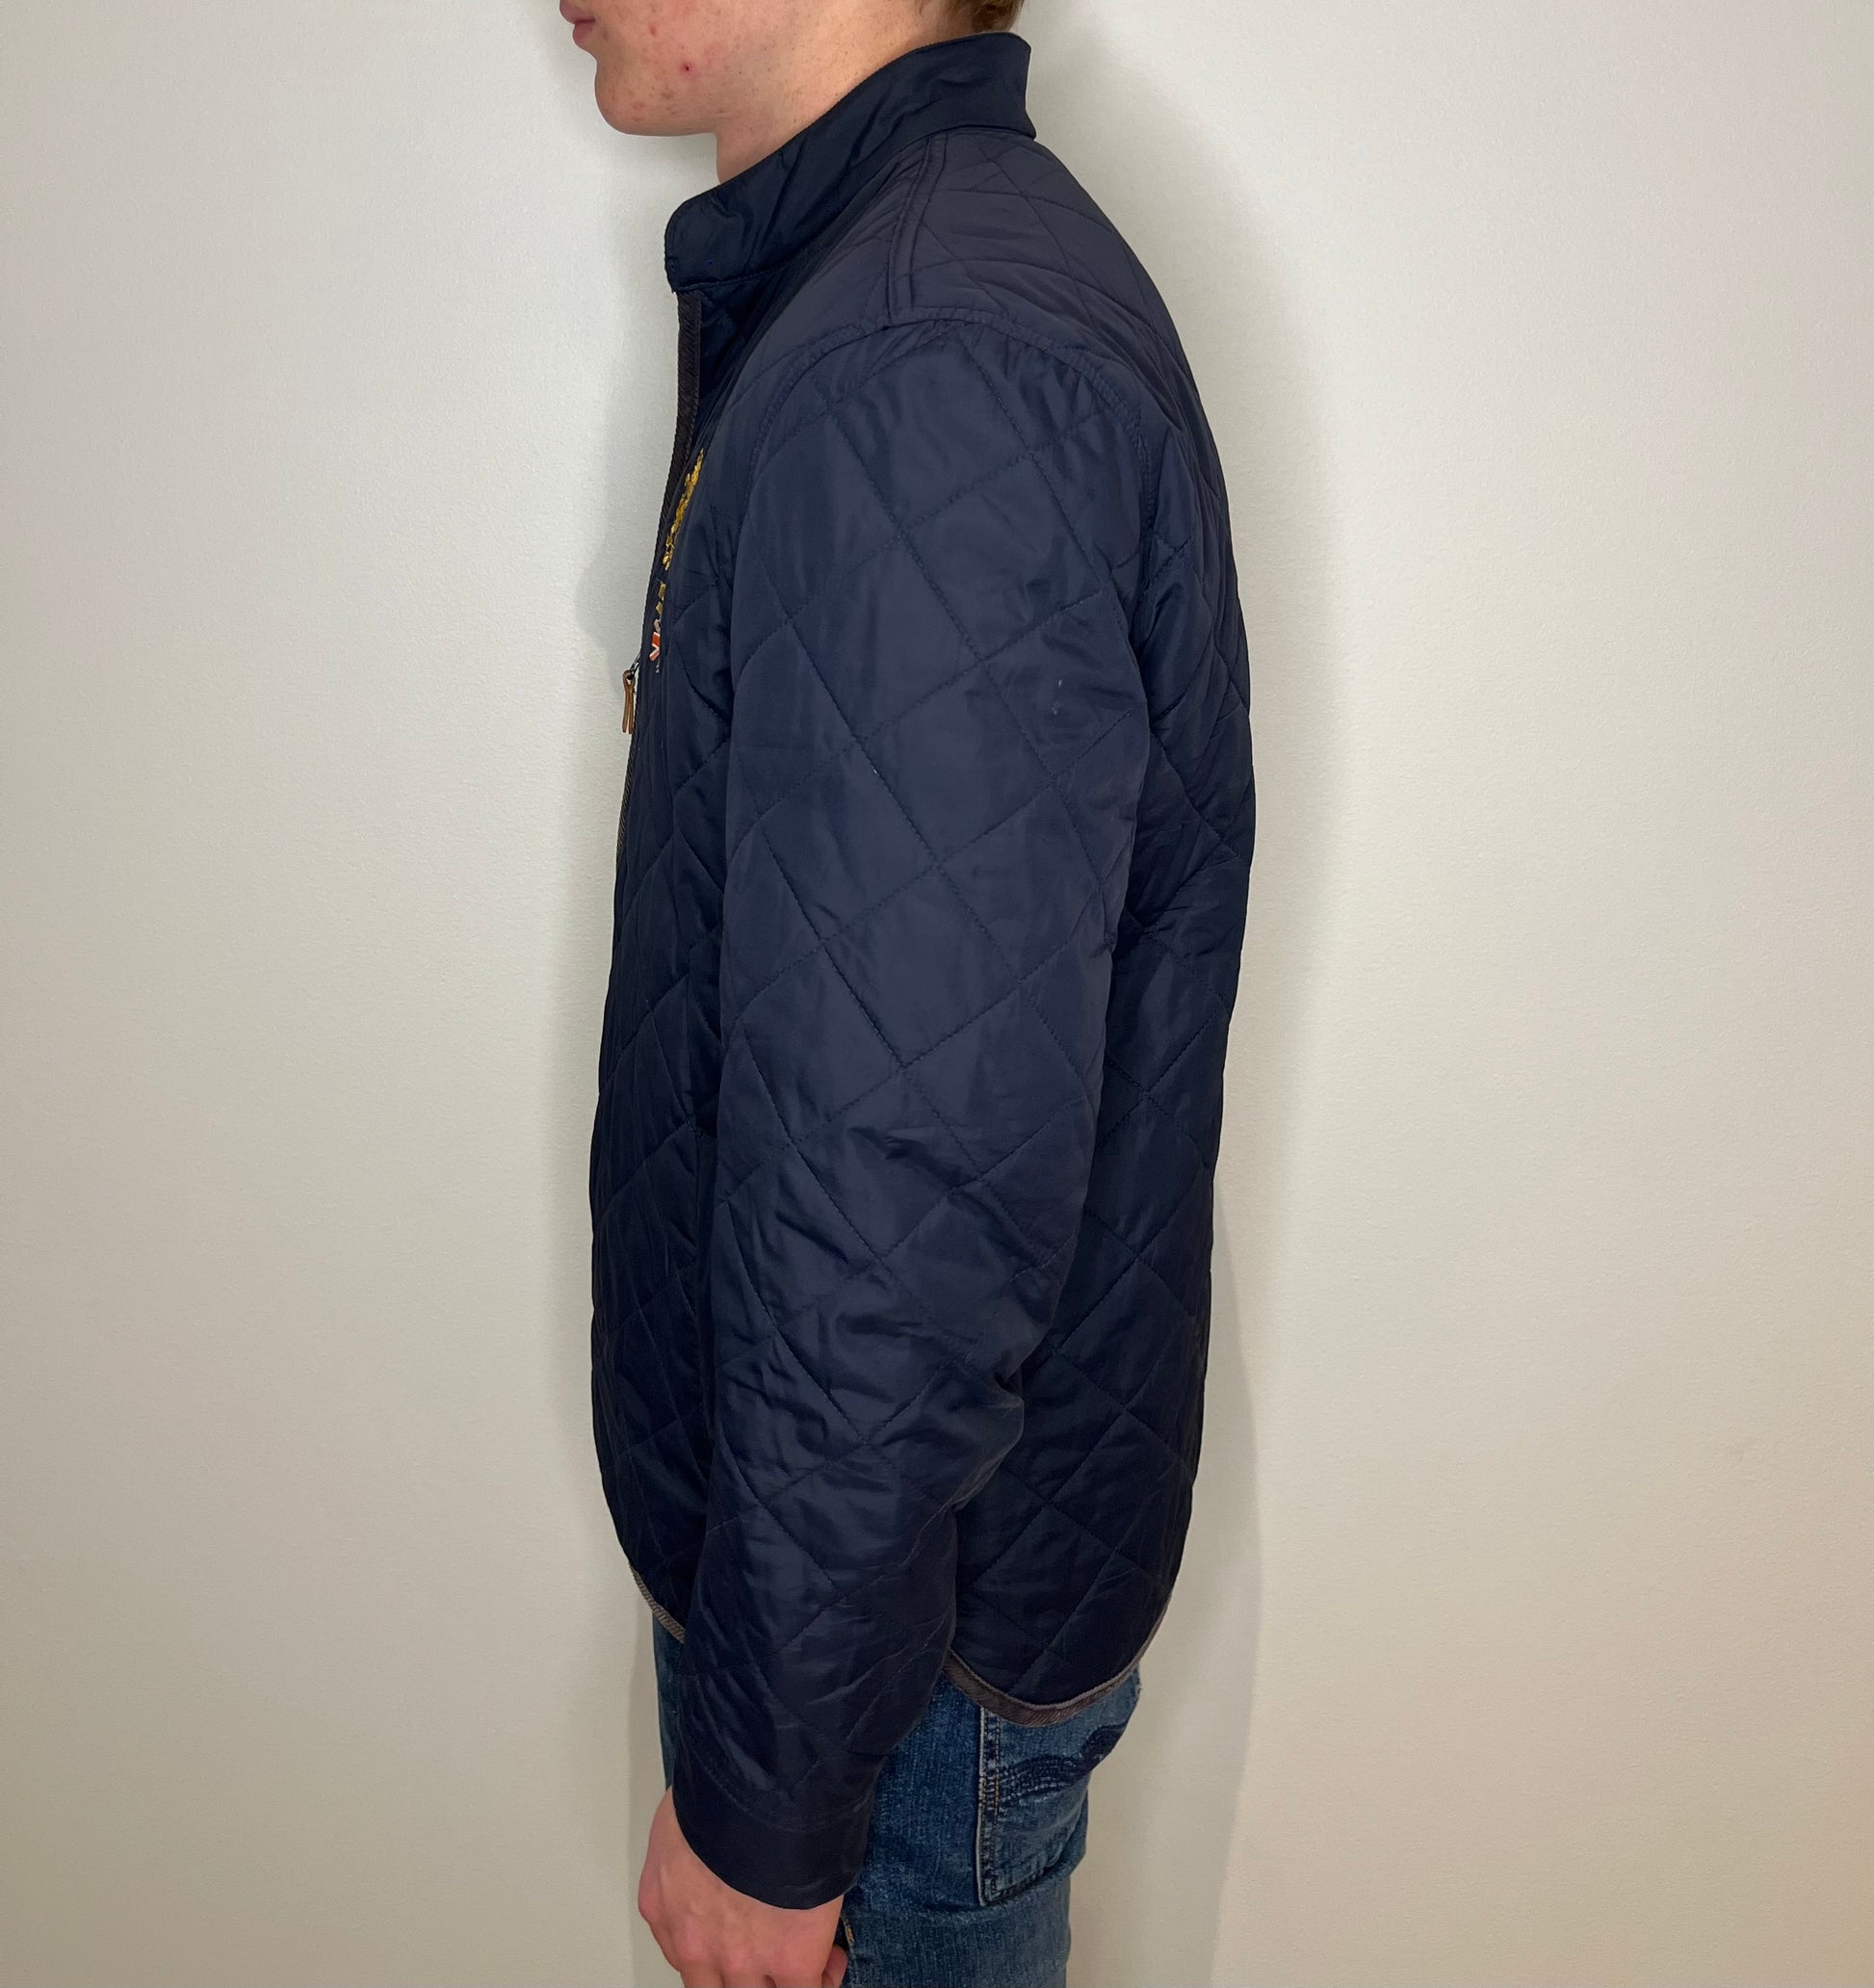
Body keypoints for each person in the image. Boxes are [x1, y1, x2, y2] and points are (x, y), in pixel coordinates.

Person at [571, 2, 1255, 1981]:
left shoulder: (921, 366)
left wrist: (772, 1796)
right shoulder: (887, 303)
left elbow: (897, 1183)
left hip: (885, 1694)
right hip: (880, 1639)